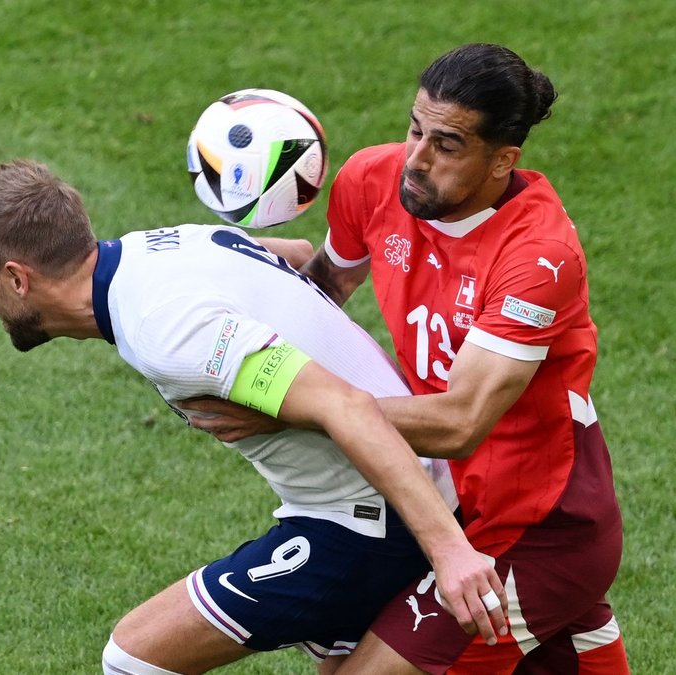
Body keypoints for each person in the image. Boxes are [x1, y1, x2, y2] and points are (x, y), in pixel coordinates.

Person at [0, 159, 508, 675]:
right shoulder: (162, 247)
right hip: (387, 494)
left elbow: (345, 405)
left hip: (368, 524)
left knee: (133, 659)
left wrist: (450, 553)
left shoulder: (167, 329)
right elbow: (287, 255)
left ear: (17, 278)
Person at [186, 44, 630, 675]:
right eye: (415, 129)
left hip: (539, 527)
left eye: (447, 146)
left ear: (504, 160)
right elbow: (319, 296)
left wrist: (293, 413)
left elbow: (460, 422)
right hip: (439, 502)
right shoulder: (372, 180)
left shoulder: (538, 259)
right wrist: (230, 260)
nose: (415, 160)